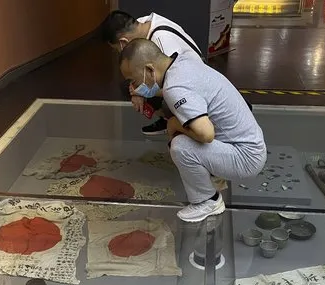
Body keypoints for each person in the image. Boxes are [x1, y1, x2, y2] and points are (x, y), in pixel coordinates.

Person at [119, 39, 267, 223]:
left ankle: (208, 201)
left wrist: (173, 124)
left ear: (149, 70)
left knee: (180, 146)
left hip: (246, 158)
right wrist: (142, 93)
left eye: (133, 81)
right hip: (252, 143)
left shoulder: (175, 88)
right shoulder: (182, 62)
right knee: (184, 131)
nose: (134, 87)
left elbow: (206, 134)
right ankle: (211, 177)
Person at [101, 10, 203, 136]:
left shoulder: (162, 40)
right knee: (130, 86)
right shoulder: (142, 24)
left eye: (117, 50)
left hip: (194, 83)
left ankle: (179, 123)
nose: (119, 53)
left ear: (123, 43)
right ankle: (167, 119)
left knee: (164, 99)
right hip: (181, 76)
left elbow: (176, 83)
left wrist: (142, 93)